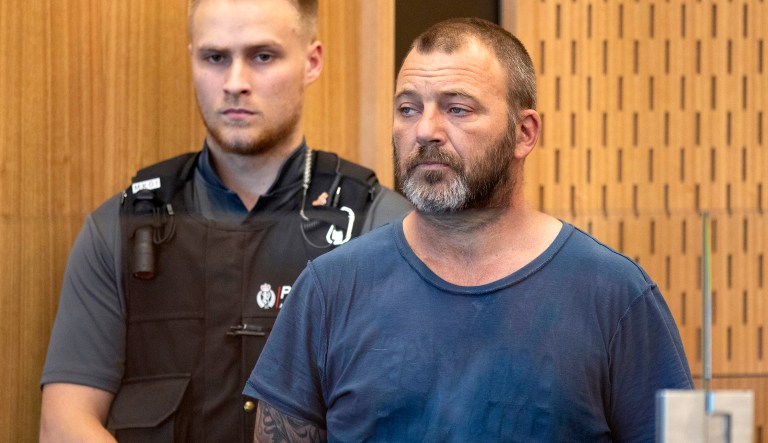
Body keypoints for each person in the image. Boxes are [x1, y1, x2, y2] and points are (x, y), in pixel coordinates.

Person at [244, 17, 694, 442]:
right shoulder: (329, 290)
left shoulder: (615, 296)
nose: (425, 130)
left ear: (524, 133)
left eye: (457, 109)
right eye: (408, 108)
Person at [39, 0, 411, 441]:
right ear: (192, 59)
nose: (235, 83)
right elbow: (65, 423)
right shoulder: (116, 231)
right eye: (215, 58)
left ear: (312, 62)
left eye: (262, 56)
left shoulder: (384, 228)